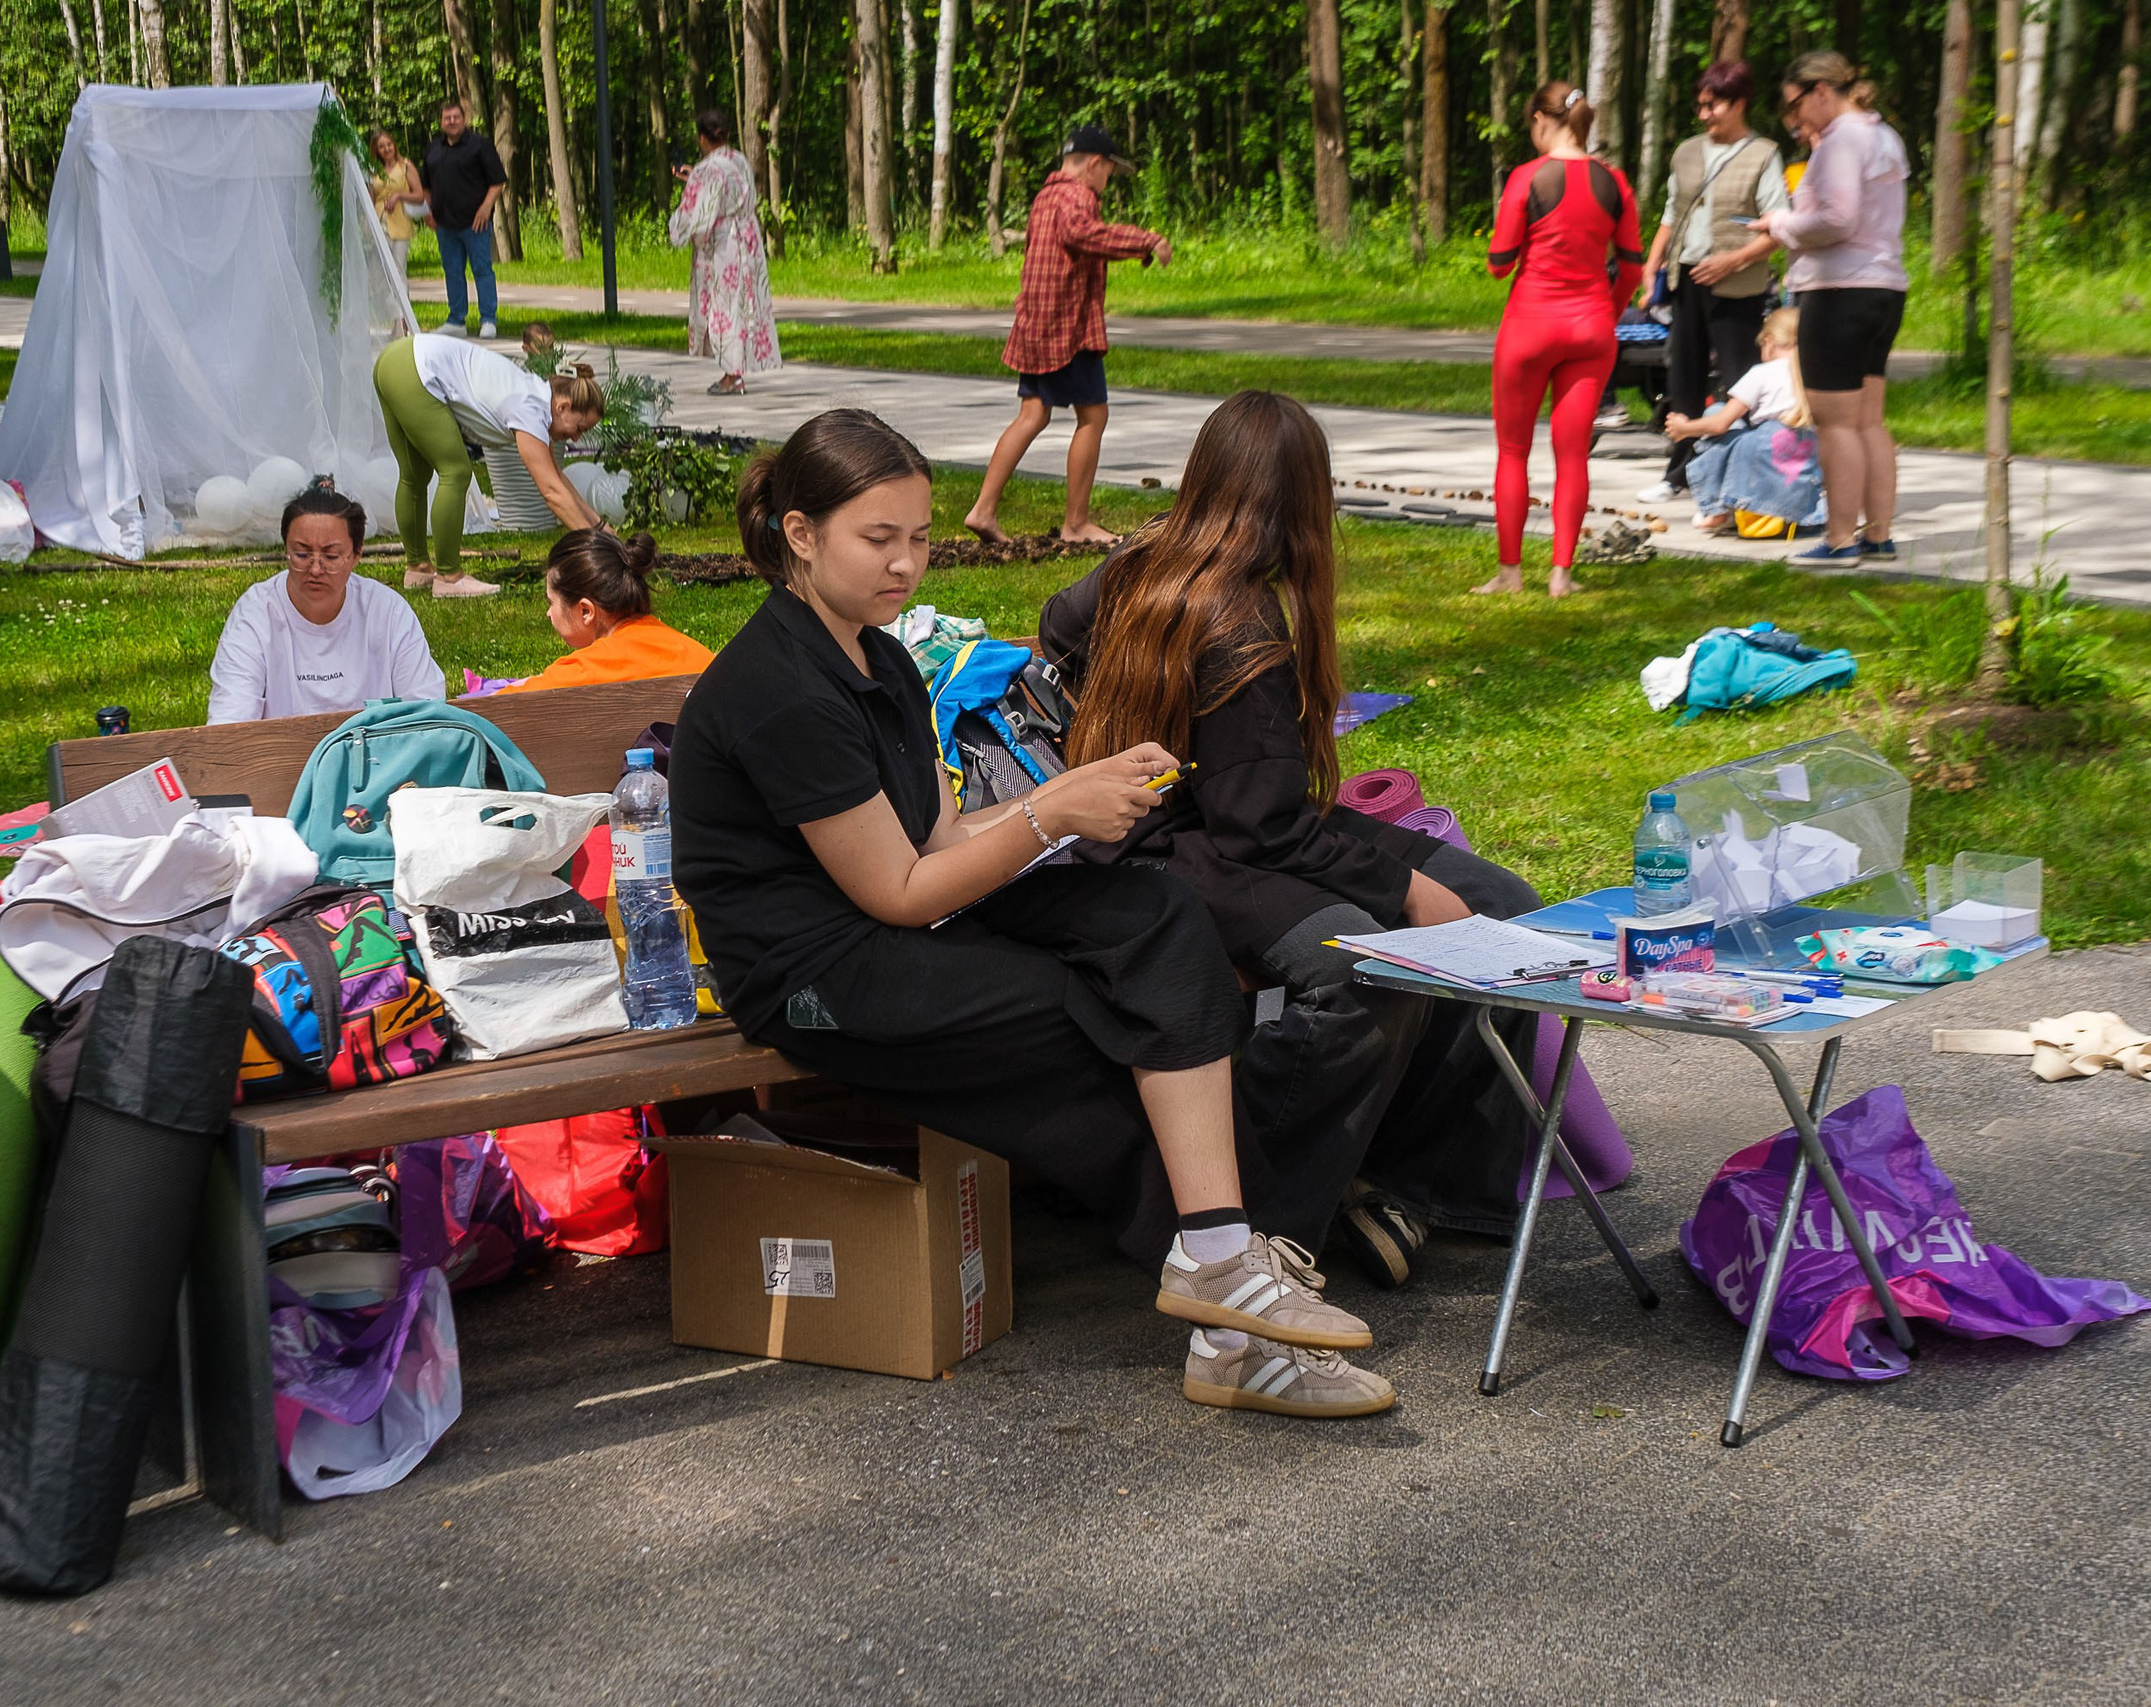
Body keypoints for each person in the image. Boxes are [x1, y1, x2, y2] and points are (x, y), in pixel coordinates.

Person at [670, 407, 1397, 1419]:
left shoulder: (874, 658)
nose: (905, 566)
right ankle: (1232, 1317)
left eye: (920, 539)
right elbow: (899, 890)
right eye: (878, 540)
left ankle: (1225, 1272)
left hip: (890, 924)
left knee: (1152, 913)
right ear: (800, 533)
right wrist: (1052, 812)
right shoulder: (778, 687)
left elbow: (935, 839)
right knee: (1091, 1017)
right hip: (810, 977)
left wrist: (1072, 792)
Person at [1041, 390, 1626, 1286]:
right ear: (1304, 508)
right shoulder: (1242, 627)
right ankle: (1261, 1213)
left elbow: (1056, 624)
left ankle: (1422, 1184)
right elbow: (1261, 830)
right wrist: (1405, 893)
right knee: (1370, 966)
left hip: (1237, 824)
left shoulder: (1142, 556)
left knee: (1504, 906)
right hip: (1181, 850)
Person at [961, 124, 1173, 548]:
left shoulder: (1046, 196)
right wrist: (1144, 240)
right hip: (1068, 329)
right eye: (1110, 172)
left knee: (1033, 414)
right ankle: (1076, 524)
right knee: (1093, 417)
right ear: (1095, 164)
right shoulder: (1078, 196)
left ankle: (983, 510)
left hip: (1038, 324)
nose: (1108, 181)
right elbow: (1082, 234)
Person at [1478, 83, 1645, 599]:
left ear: (1540, 120)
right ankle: (1561, 575)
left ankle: (1510, 574)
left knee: (1513, 450)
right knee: (1573, 455)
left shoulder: (1528, 178)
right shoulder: (1615, 181)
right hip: (1591, 327)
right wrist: (1605, 313)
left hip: (1531, 325)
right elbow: (1633, 268)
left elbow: (1498, 265)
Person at [1748, 52, 1908, 565]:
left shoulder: (1842, 139)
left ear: (1821, 90)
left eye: (1796, 105)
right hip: (1884, 288)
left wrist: (1781, 225)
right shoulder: (1884, 136)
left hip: (1839, 290)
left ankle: (1840, 540)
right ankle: (1877, 535)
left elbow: (1837, 219)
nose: (1796, 119)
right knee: (1868, 421)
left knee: (1835, 423)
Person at [1636, 61, 1787, 505]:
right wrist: (1652, 266)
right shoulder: (1685, 151)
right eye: (1700, 105)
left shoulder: (1764, 154)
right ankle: (1678, 472)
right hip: (1686, 280)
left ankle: (1742, 477)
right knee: (1682, 377)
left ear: (1739, 103)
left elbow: (1778, 229)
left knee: (1741, 382)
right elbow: (1670, 213)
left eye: (1713, 105)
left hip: (1737, 287)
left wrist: (1734, 260)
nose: (1703, 114)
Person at [374, 333, 604, 599]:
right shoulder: (531, 408)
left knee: (415, 475)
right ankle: (449, 578)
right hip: (416, 368)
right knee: (456, 471)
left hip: (393, 361)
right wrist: (598, 549)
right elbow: (551, 491)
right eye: (579, 428)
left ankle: (418, 568)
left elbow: (558, 478)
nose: (576, 437)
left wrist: (600, 529)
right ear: (563, 406)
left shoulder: (535, 395)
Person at [207, 484, 445, 724]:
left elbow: (427, 712)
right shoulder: (256, 614)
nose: (316, 569)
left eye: (331, 556)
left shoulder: (387, 610)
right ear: (285, 550)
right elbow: (229, 722)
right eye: (301, 554)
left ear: (356, 554)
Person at [1664, 306, 1826, 537]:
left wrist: (1684, 428)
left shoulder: (1762, 372)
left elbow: (1720, 424)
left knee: (1716, 412)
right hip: (1803, 503)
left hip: (1762, 478)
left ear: (1769, 341)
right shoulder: (1817, 374)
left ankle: (1717, 510)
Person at [498, 529, 714, 693]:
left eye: (551, 603)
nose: (548, 614)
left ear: (585, 611)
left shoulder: (584, 671)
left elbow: (493, 710)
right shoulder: (693, 652)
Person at [667, 109, 781, 397]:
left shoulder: (707, 170)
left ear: (703, 138)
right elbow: (725, 190)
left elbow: (697, 213)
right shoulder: (738, 160)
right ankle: (736, 371)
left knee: (724, 305)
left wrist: (676, 229)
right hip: (747, 238)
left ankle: (733, 376)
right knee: (744, 304)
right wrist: (695, 179)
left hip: (723, 246)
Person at [423, 99, 506, 340]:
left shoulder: (480, 145)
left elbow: (497, 181)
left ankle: (488, 319)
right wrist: (428, 210)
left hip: (475, 223)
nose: (451, 122)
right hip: (444, 224)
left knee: (482, 270)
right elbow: (426, 184)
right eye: (447, 118)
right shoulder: (433, 149)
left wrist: (485, 208)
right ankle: (456, 320)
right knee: (452, 271)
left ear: (464, 119)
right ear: (441, 122)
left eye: (455, 117)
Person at [368, 129, 425, 287]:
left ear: (394, 145)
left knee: (398, 267)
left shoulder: (405, 166)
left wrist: (399, 196)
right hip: (380, 222)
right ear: (377, 150)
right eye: (382, 146)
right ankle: (387, 309)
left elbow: (419, 195)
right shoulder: (374, 171)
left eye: (389, 144)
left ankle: (401, 310)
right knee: (381, 269)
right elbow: (371, 200)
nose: (387, 149)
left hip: (400, 222)